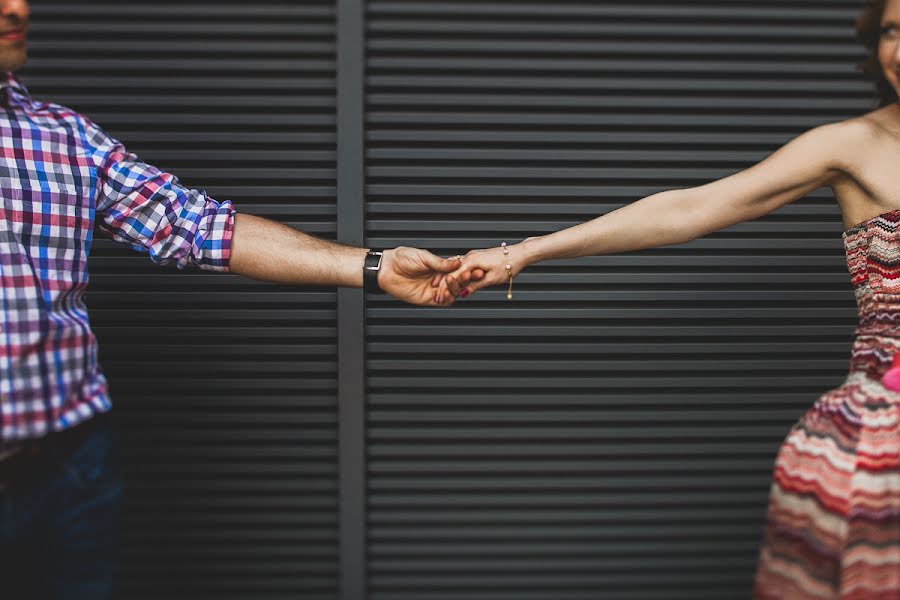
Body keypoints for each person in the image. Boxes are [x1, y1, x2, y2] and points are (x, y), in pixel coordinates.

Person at [0, 0, 468, 598]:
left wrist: (375, 267)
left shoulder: (62, 136)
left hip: (70, 470)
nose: (18, 5)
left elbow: (197, 225)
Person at [440, 1, 900, 598]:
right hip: (878, 454)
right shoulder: (852, 145)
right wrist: (520, 252)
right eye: (891, 30)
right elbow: (692, 207)